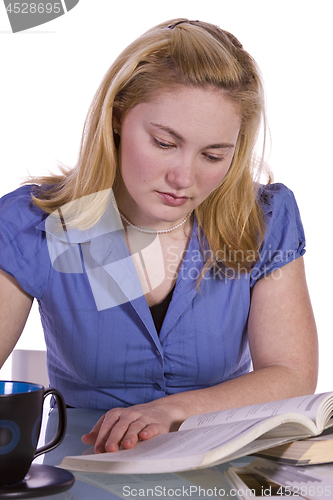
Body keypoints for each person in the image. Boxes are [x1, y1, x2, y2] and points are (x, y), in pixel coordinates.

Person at [0, 19, 318, 455]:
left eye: (213, 154)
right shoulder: (33, 223)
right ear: (116, 119)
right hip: (84, 471)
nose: (184, 177)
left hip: (227, 468)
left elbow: (291, 374)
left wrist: (172, 411)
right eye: (164, 143)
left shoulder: (262, 218)